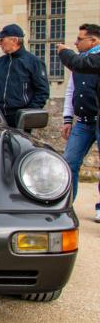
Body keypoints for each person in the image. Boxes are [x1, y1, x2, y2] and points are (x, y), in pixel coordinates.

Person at [57, 24, 100, 222]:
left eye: (79, 39)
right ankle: (66, 205)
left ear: (94, 41)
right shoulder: (81, 61)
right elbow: (71, 90)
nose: (75, 42)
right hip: (83, 122)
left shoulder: (92, 60)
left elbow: (77, 62)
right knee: (69, 162)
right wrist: (68, 119)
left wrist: (65, 53)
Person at [0, 23, 49, 127]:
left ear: (14, 40)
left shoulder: (34, 62)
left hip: (20, 118)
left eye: (2, 39)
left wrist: (27, 114)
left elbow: (42, 91)